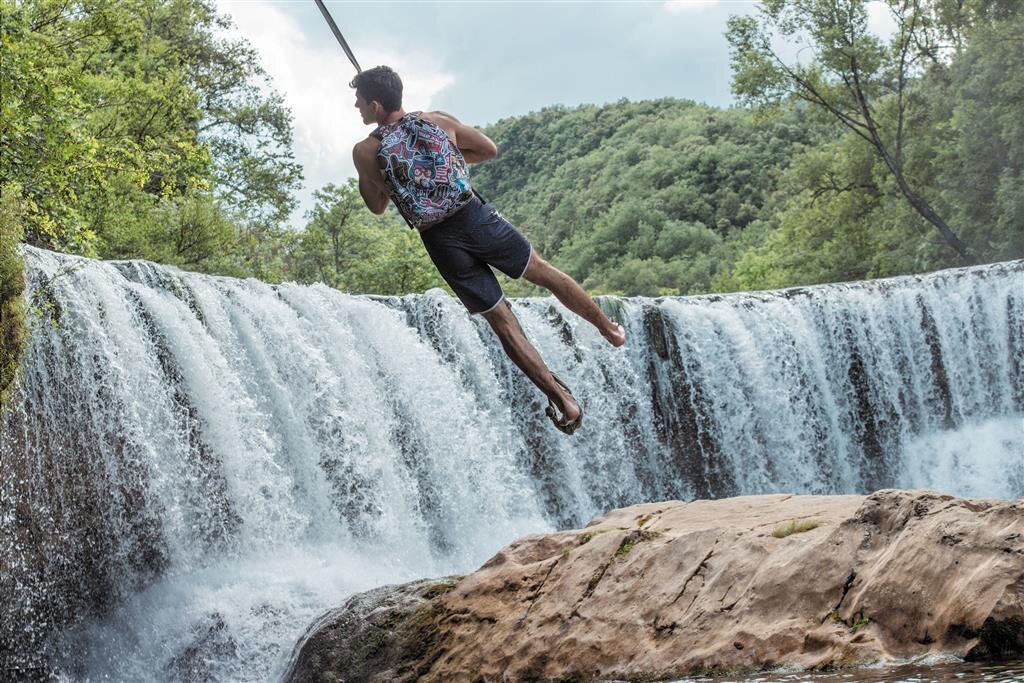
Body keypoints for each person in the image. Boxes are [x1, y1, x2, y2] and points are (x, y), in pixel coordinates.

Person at [350, 66, 625, 435]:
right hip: (476, 217)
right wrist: (452, 160)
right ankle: (609, 329)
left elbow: (377, 206)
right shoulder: (438, 121)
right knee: (544, 273)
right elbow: (487, 149)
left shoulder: (366, 150)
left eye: (360, 101)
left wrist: (381, 179)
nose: (356, 106)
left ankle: (563, 400)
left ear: (376, 104)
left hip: (440, 240)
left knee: (502, 322)